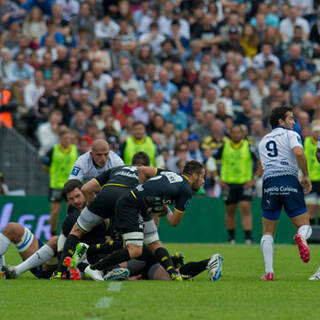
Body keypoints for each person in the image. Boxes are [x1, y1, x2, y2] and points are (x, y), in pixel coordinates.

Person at [82, 161, 222, 282]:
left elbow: (142, 170)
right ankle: (93, 268)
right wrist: (166, 209)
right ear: (194, 176)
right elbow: (173, 222)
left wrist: (141, 190)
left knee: (155, 244)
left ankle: (173, 273)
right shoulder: (185, 190)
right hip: (131, 206)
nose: (203, 181)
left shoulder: (168, 173)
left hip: (136, 203)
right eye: (202, 177)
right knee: (135, 251)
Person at [55, 152, 158, 279]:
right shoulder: (137, 190)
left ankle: (68, 270)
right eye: (72, 198)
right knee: (143, 251)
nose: (76, 201)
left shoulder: (116, 175)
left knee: (132, 248)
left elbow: (87, 188)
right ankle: (105, 270)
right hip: (104, 255)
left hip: (105, 248)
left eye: (77, 196)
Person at [258, 106, 312, 281]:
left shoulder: (263, 141)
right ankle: (301, 237)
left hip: (270, 183)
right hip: (289, 180)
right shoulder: (291, 135)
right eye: (290, 118)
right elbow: (298, 152)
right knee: (305, 226)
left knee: (267, 231)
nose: (294, 122)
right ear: (281, 122)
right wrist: (306, 175)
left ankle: (269, 272)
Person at [214, 125, 262, 244]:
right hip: (228, 184)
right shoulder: (224, 146)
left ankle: (248, 238)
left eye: (238, 133)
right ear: (230, 133)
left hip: (245, 183)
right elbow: (211, 160)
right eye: (234, 133)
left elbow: (261, 162)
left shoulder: (249, 147)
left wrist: (254, 179)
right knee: (230, 210)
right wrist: (217, 178)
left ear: (242, 134)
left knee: (245, 208)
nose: (236, 135)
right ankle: (231, 238)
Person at [43, 130, 78, 237]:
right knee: (55, 212)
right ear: (60, 139)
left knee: (71, 212)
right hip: (56, 186)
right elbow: (45, 166)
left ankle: (69, 235)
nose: (67, 140)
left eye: (69, 138)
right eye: (65, 138)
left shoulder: (75, 150)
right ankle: (52, 234)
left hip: (70, 185)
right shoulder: (53, 150)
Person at [304, 122, 320, 226]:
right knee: (310, 206)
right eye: (315, 131)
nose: (317, 133)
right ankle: (310, 233)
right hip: (311, 179)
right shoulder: (306, 142)